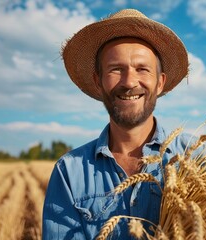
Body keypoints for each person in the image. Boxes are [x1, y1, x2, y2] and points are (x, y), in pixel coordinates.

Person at [42, 9, 190, 239]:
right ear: (98, 81)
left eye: (142, 69)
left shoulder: (196, 158)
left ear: (160, 83)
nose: (129, 82)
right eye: (115, 69)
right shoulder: (69, 172)